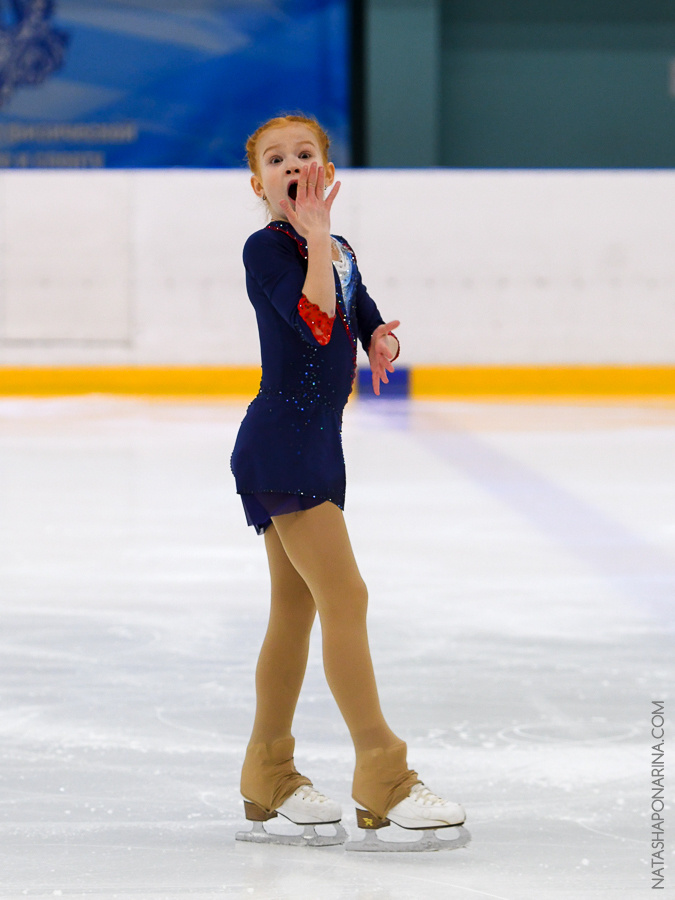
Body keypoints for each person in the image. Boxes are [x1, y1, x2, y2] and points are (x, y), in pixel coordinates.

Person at [230, 114, 467, 851]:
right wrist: (311, 240)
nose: (292, 166)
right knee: (346, 596)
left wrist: (381, 338)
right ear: (258, 183)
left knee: (294, 611)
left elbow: (354, 315)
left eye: (305, 154)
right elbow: (314, 321)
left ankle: (268, 768)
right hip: (279, 449)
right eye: (277, 160)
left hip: (316, 449)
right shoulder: (267, 251)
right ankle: (383, 772)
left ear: (326, 168)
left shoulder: (338, 248)